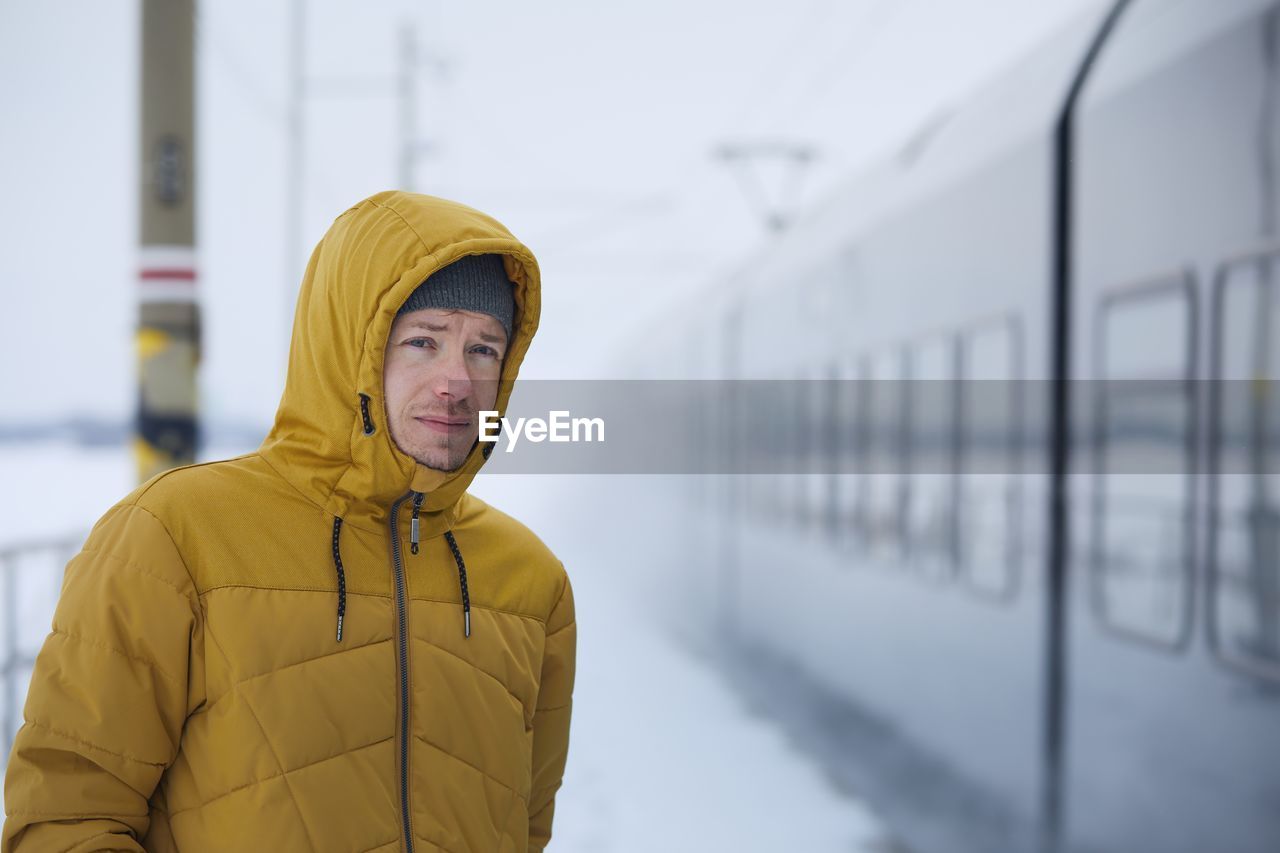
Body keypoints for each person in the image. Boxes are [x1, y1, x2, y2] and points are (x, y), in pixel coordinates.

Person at [2, 190, 577, 853]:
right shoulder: (174, 536)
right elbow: (66, 817)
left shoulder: (532, 582)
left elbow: (525, 831)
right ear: (350, 351)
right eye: (424, 340)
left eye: (483, 349)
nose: (456, 380)